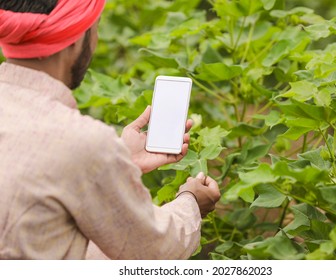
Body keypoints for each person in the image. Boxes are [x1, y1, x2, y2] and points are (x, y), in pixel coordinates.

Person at [0, 0, 220, 260]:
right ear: (74, 36)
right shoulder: (83, 142)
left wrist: (117, 158)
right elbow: (148, 250)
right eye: (95, 28)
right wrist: (191, 202)